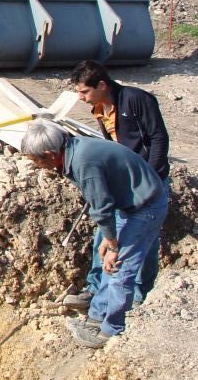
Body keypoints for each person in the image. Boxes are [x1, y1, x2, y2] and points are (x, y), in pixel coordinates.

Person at [21, 121, 168, 348]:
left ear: (50, 154)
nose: (36, 166)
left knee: (119, 268)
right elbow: (101, 198)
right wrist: (108, 239)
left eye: (36, 160)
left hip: (144, 207)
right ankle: (97, 316)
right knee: (106, 261)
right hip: (128, 203)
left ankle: (112, 329)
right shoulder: (74, 150)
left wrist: (112, 245)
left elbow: (101, 206)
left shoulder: (83, 162)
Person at [61, 60, 170, 310]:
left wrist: (149, 177)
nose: (80, 97)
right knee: (106, 234)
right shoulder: (100, 108)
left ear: (102, 84)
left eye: (84, 91)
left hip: (149, 182)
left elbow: (158, 138)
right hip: (124, 183)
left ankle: (140, 294)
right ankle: (95, 287)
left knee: (145, 241)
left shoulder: (136, 100)